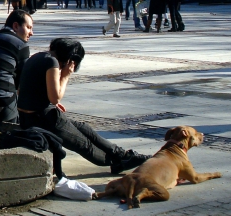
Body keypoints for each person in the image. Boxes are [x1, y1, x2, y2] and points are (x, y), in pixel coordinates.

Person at [17, 38, 151, 174]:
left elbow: (24, 90)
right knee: (85, 145)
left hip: (29, 116)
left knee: (83, 127)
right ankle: (118, 161)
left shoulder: (37, 57)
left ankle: (121, 154)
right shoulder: (53, 62)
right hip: (44, 119)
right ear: (70, 59)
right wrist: (65, 76)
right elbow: (55, 97)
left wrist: (47, 102)